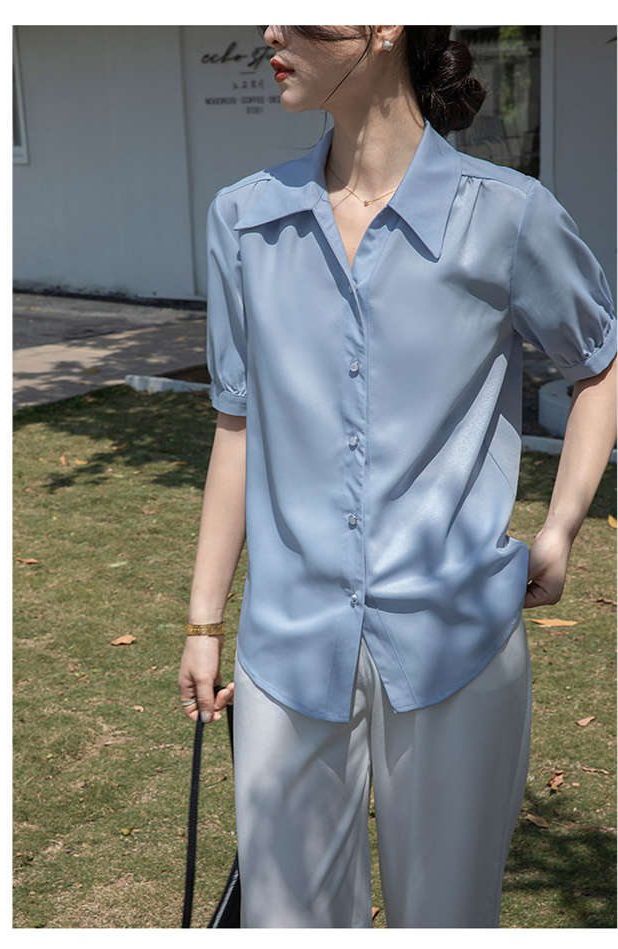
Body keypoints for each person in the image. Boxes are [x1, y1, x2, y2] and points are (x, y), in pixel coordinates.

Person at [177, 25, 617, 928]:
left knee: (447, 919)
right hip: (287, 644)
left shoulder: (507, 214)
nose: (271, 29)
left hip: (458, 638)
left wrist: (562, 526)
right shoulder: (244, 220)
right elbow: (236, 424)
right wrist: (203, 621)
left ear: (384, 27)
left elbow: (599, 364)